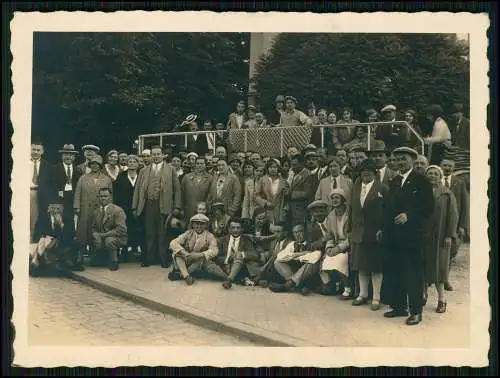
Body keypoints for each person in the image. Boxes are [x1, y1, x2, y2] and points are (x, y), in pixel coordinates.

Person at [383, 147, 435, 326]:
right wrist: (384, 228)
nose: (399, 163)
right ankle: (399, 307)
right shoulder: (395, 181)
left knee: (412, 274)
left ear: (413, 161)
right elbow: (389, 208)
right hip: (394, 235)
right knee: (395, 271)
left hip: (412, 236)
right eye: (397, 160)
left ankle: (416, 312)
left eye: (403, 159)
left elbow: (428, 207)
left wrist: (409, 215)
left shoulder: (422, 181)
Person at [132, 145, 182, 268]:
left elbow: (177, 190)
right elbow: (137, 189)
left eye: (158, 154)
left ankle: (163, 258)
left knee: (162, 232)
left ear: (163, 155)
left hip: (164, 204)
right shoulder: (144, 170)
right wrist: (135, 206)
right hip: (148, 204)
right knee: (149, 232)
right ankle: (149, 258)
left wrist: (177, 206)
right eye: (153, 154)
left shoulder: (170, 169)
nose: (155, 156)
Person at [349, 159, 389, 311]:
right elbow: (351, 209)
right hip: (359, 232)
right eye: (363, 171)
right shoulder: (355, 188)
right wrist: (350, 229)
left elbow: (387, 212)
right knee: (361, 264)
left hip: (375, 232)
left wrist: (383, 229)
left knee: (375, 266)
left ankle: (376, 298)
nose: (366, 173)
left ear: (375, 173)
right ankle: (362, 294)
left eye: (369, 170)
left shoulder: (383, 188)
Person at [423, 165, 459, 313]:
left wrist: (450, 235)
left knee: (440, 269)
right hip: (424, 236)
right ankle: (422, 295)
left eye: (435, 174)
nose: (432, 176)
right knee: (423, 265)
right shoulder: (421, 192)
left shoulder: (447, 194)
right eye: (430, 173)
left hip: (440, 237)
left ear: (440, 176)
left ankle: (442, 299)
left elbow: (453, 216)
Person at [74, 155, 113, 258]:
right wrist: (77, 206)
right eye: (93, 164)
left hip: (99, 209)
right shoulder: (83, 178)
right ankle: (80, 255)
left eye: (97, 164)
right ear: (90, 165)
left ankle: (95, 255)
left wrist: (109, 207)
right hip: (86, 209)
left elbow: (110, 195)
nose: (95, 166)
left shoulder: (107, 179)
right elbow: (78, 193)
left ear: (100, 166)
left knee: (96, 231)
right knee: (83, 232)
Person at [440, 157, 469, 291]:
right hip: (438, 223)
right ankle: (434, 279)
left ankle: (445, 279)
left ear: (453, 168)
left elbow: (464, 205)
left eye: (449, 166)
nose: (446, 168)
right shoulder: (434, 180)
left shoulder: (459, 183)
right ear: (440, 166)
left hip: (454, 223)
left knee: (450, 252)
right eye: (444, 165)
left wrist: (463, 225)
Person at [30, 199, 78, 277]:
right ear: (49, 209)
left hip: (60, 244)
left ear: (62, 209)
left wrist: (61, 224)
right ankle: (38, 264)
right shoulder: (43, 218)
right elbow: (37, 233)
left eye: (58, 209)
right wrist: (44, 239)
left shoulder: (67, 218)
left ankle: (56, 265)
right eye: (53, 208)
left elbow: (70, 235)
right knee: (42, 243)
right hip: (45, 245)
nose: (55, 211)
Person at [316, 189, 351, 297]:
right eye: (332, 198)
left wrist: (339, 248)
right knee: (325, 261)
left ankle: (348, 288)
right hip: (335, 244)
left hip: (349, 245)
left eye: (337, 197)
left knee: (341, 260)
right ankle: (334, 285)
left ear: (343, 199)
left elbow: (352, 234)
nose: (334, 200)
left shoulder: (350, 214)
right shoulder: (331, 216)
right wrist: (329, 248)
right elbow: (330, 235)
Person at [269, 224, 321, 295]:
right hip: (293, 272)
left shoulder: (312, 244)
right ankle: (297, 285)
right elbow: (280, 256)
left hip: (307, 274)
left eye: (300, 231)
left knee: (312, 264)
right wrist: (300, 254)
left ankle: (290, 284)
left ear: (305, 232)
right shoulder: (292, 244)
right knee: (277, 262)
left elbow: (316, 257)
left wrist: (293, 257)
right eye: (295, 232)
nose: (297, 235)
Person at [53, 144, 83, 266]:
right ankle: (58, 259)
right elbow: (52, 187)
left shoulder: (78, 171)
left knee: (71, 231)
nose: (68, 157)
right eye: (66, 154)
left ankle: (71, 259)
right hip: (59, 204)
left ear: (74, 157)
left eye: (71, 154)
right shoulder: (55, 169)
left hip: (72, 204)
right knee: (58, 230)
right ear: (62, 155)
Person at [168, 214, 219, 285]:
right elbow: (173, 242)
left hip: (198, 261)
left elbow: (215, 250)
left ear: (206, 225)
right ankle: (187, 276)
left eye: (202, 224)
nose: (199, 226)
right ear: (192, 224)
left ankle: (182, 274)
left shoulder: (210, 236)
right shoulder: (188, 233)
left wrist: (199, 255)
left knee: (201, 261)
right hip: (187, 258)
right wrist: (185, 253)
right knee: (177, 254)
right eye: (196, 224)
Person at [215, 218, 261, 288]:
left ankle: (229, 280)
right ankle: (243, 280)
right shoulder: (222, 240)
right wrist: (228, 258)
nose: (235, 230)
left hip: (241, 267)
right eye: (233, 228)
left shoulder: (246, 240)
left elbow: (255, 255)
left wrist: (241, 254)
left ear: (242, 229)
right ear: (229, 229)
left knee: (239, 257)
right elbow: (216, 257)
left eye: (238, 228)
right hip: (226, 267)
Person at [90, 187, 127, 271]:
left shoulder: (118, 210)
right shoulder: (96, 212)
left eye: (106, 196)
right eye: (101, 196)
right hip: (102, 236)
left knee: (109, 240)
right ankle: (101, 257)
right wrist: (95, 234)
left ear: (110, 197)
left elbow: (121, 229)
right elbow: (93, 227)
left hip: (117, 237)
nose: (103, 198)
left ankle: (114, 261)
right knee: (97, 240)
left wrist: (103, 235)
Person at [114, 154, 142, 261]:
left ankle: (135, 250)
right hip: (124, 207)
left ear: (137, 164)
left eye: (134, 161)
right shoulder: (121, 176)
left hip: (137, 208)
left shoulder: (141, 176)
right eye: (130, 161)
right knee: (125, 229)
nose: (132, 163)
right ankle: (124, 251)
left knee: (137, 229)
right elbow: (116, 193)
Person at [30, 139, 55, 243]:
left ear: (42, 151)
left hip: (41, 197)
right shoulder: (21, 163)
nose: (35, 152)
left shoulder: (48, 166)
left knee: (38, 221)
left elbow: (51, 185)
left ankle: (34, 248)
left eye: (38, 150)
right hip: (25, 194)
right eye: (33, 149)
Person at [255, 159, 290, 225]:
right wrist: (265, 202)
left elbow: (287, 197)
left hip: (279, 210)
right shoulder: (262, 180)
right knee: (266, 227)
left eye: (275, 167)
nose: (273, 169)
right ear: (267, 169)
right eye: (270, 167)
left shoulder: (284, 181)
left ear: (278, 169)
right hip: (266, 209)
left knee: (278, 228)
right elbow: (256, 195)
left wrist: (285, 209)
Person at [257, 222, 290, 286]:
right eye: (274, 232)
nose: (275, 234)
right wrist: (262, 254)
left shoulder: (289, 243)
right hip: (272, 268)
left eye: (278, 232)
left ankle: (261, 278)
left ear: (285, 233)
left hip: (282, 270)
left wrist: (264, 268)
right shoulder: (273, 242)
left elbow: (279, 257)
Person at [181, 156, 212, 221]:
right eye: (197, 163)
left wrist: (206, 208)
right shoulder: (187, 177)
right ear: (194, 165)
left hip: (203, 212)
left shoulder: (210, 178)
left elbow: (211, 195)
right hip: (188, 210)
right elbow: (181, 194)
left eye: (201, 163)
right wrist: (181, 208)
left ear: (205, 165)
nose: (199, 165)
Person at [288, 154, 315, 226]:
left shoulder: (308, 175)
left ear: (302, 164)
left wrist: (290, 194)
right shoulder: (292, 173)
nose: (292, 167)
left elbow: (307, 193)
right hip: (292, 208)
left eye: (295, 165)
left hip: (301, 209)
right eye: (292, 165)